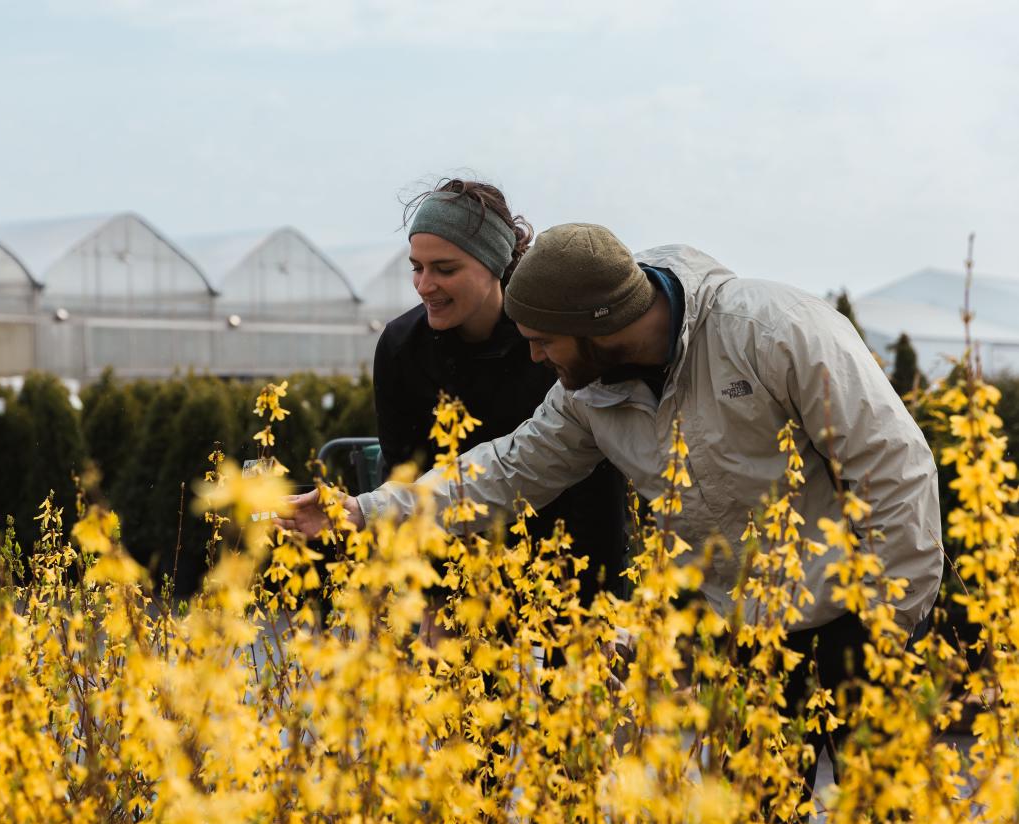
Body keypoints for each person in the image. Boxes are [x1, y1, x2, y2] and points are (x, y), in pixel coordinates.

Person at [285, 222, 942, 793]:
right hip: (744, 639)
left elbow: (894, 468)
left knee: (885, 805)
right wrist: (366, 511)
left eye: (543, 340)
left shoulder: (770, 330)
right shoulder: (587, 390)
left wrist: (884, 625)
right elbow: (506, 470)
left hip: (857, 616)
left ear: (596, 325)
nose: (535, 356)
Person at [372, 180, 629, 605]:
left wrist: (599, 604)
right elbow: (405, 475)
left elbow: (595, 486)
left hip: (566, 571)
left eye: (445, 269)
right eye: (417, 267)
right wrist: (432, 598)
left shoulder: (551, 339)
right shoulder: (402, 347)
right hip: (460, 583)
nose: (424, 285)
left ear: (494, 263)